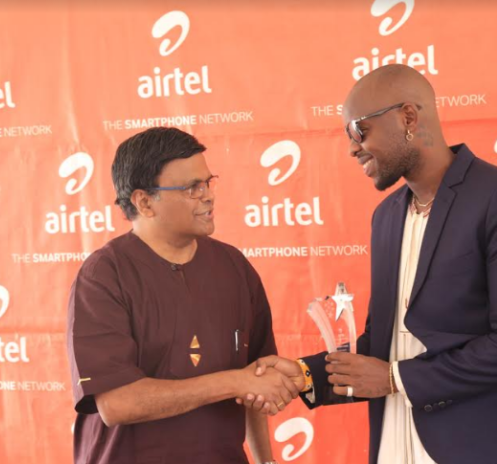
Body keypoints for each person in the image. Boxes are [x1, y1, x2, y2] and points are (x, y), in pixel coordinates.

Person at [244, 64, 497, 464]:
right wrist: (306, 374)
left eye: (359, 130)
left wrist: (395, 379)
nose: (351, 148)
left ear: (408, 117)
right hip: (392, 441)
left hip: (472, 445)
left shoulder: (490, 197)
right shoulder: (386, 216)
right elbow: (383, 344)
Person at [66, 127, 302, 464]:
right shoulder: (103, 275)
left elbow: (256, 380)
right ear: (144, 202)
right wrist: (233, 382)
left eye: (208, 183)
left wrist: (266, 460)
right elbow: (117, 404)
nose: (208, 196)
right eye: (192, 188)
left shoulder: (234, 266)